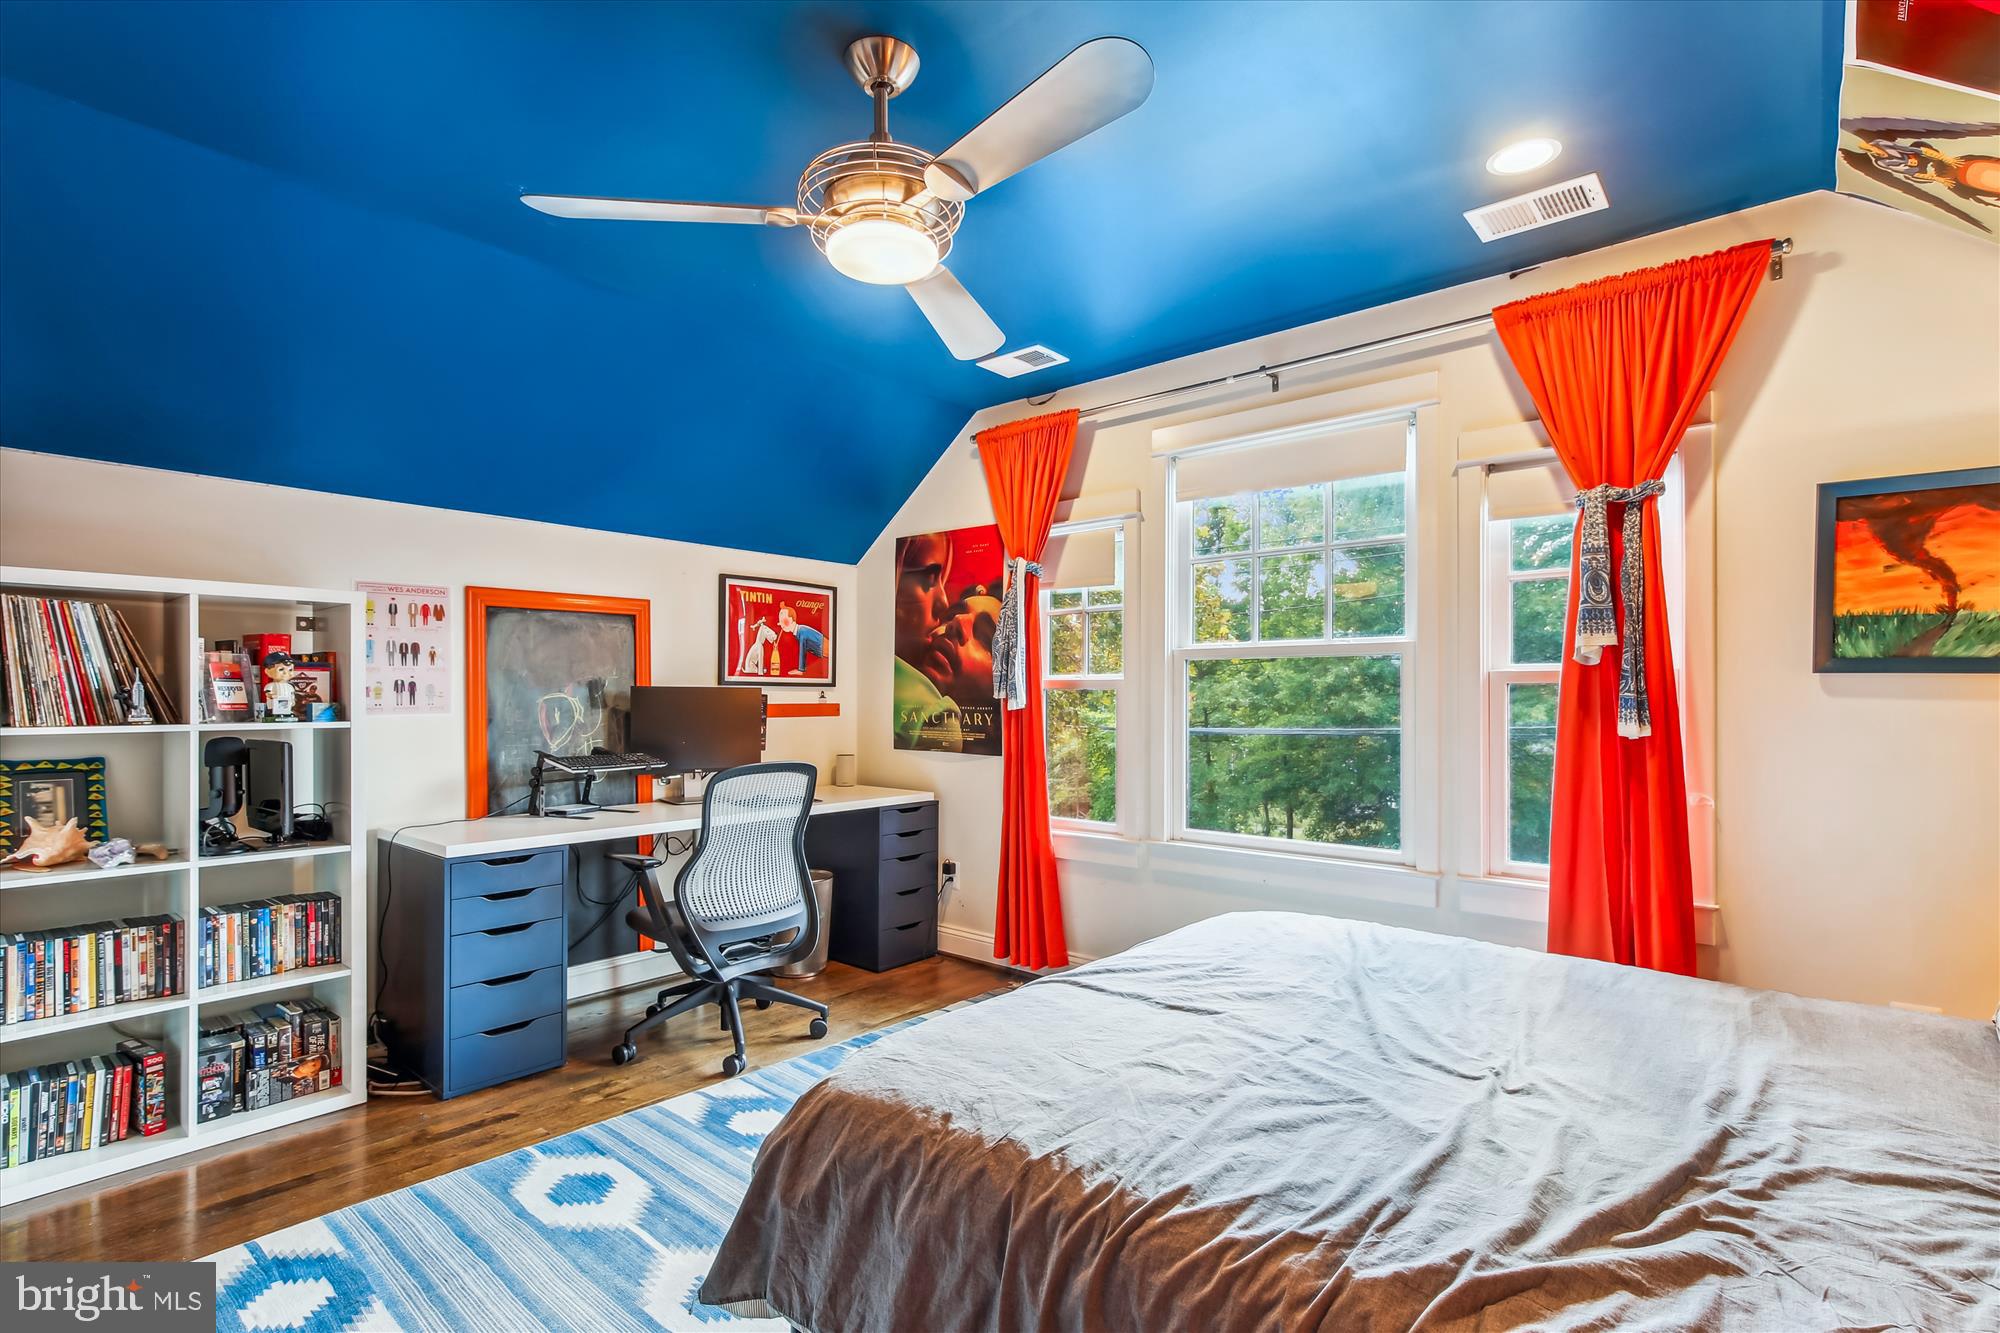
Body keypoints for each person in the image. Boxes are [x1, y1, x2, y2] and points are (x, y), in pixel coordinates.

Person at [778, 604, 827, 676]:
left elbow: (802, 650)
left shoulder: (802, 631)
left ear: (791, 619)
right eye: (780, 621)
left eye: (784, 621)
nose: (782, 624)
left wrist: (801, 670)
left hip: (825, 649)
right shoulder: (799, 631)